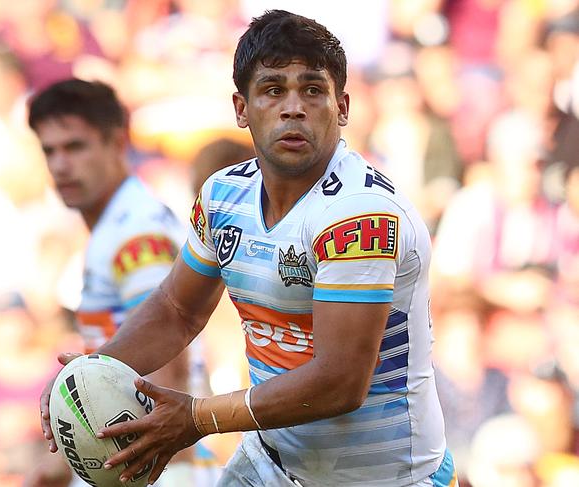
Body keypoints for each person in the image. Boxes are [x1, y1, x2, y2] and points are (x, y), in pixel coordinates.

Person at [40, 10, 457, 487]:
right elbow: (178, 309)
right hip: (272, 461)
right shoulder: (222, 196)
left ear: (342, 107)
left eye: (313, 90)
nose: (293, 107)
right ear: (242, 108)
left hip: (383, 478)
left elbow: (341, 381)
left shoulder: (359, 214)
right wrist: (91, 375)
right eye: (274, 89)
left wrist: (199, 418)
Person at [25, 79, 206, 487]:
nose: (59, 165)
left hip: (155, 470)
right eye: (49, 150)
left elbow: (166, 369)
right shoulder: (114, 226)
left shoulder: (136, 233)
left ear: (116, 142)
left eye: (75, 147)